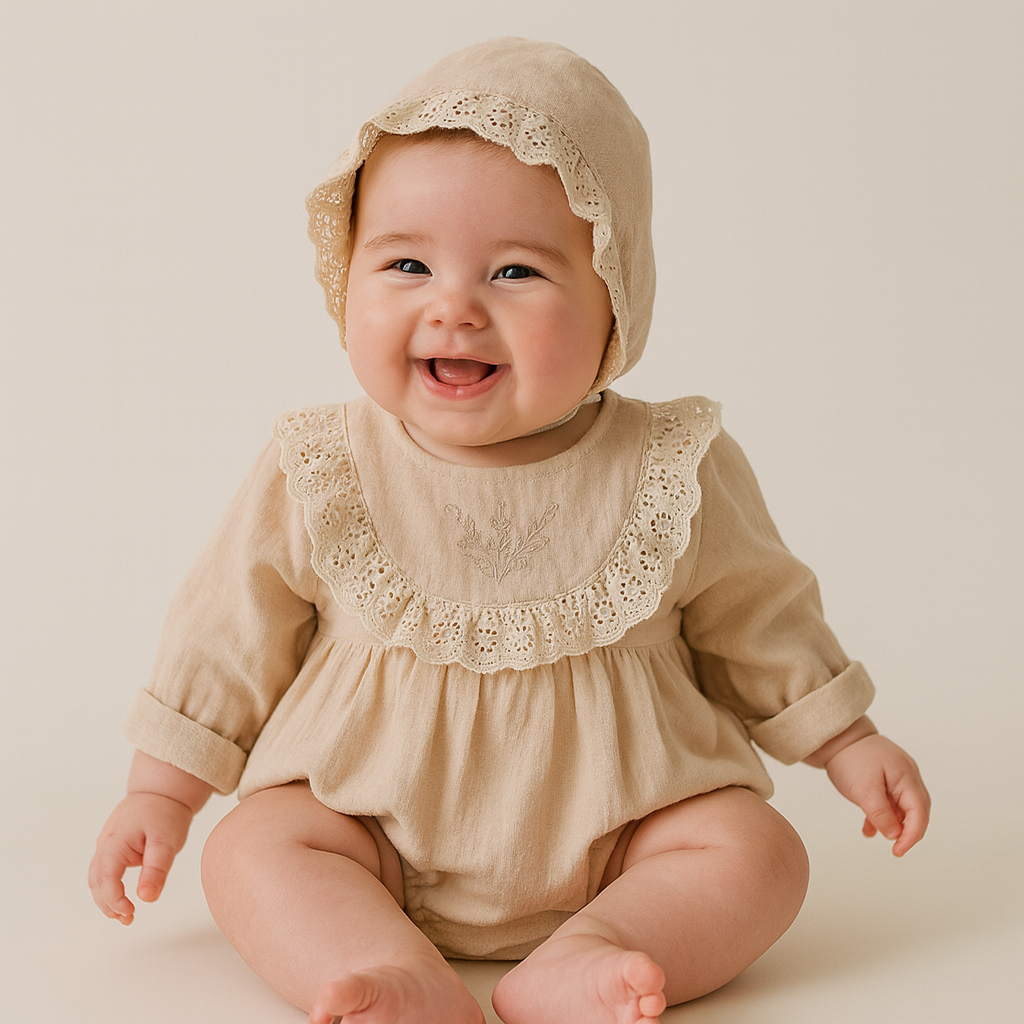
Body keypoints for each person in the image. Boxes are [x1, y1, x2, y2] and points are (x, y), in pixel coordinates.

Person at [88, 37, 930, 1024]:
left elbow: (760, 615)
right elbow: (225, 637)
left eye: (516, 272)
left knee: (757, 852)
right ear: (344, 273)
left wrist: (846, 738)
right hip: (367, 824)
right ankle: (379, 960)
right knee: (256, 846)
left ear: (614, 293)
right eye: (405, 262)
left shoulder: (670, 463)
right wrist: (162, 795)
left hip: (629, 828)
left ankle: (599, 948)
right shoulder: (322, 464)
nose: (454, 307)